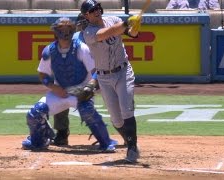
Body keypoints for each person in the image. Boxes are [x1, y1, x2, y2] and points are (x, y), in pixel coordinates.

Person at [21, 17, 116, 152]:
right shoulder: (49, 51)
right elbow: (42, 74)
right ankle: (39, 141)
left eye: (68, 30)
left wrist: (90, 87)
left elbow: (96, 72)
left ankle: (106, 142)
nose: (65, 33)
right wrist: (54, 87)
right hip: (60, 92)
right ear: (56, 32)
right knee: (34, 113)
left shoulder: (82, 48)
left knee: (87, 110)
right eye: (61, 30)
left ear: (72, 31)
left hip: (81, 91)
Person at [80, 0, 142, 163]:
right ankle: (129, 140)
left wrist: (134, 27)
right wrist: (126, 23)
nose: (96, 11)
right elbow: (106, 34)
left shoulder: (114, 20)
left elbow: (131, 34)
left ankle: (132, 147)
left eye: (97, 8)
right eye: (92, 10)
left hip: (123, 71)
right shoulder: (88, 32)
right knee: (116, 119)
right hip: (104, 77)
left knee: (127, 110)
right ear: (86, 15)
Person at [51, 13, 90, 146]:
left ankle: (103, 133)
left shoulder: (99, 33)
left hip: (93, 76)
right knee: (60, 101)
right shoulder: (71, 38)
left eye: (86, 22)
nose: (84, 25)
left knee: (91, 106)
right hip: (71, 76)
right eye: (81, 23)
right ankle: (62, 133)